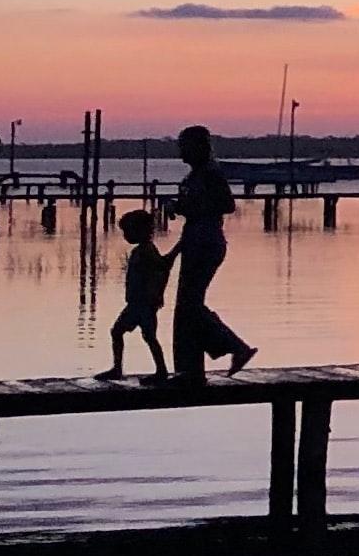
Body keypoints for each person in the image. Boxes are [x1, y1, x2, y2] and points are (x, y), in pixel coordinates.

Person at [169, 125, 254, 385]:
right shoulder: (197, 174)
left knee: (189, 306)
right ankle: (191, 371)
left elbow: (226, 204)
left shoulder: (210, 174)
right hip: (195, 239)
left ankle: (233, 347)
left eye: (185, 145)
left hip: (206, 242)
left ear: (199, 147)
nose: (180, 150)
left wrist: (190, 207)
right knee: (187, 307)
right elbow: (197, 208)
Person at [104, 207, 173, 380]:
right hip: (138, 303)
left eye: (128, 231)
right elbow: (163, 266)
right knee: (145, 336)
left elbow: (162, 266)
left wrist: (178, 248)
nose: (126, 236)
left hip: (142, 304)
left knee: (123, 332)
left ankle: (121, 369)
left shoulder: (146, 251)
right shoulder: (143, 250)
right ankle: (122, 368)